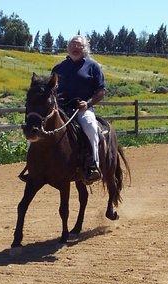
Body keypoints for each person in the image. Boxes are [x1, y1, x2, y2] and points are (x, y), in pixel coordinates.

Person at [52, 35, 106, 183]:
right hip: (61, 109)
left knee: (90, 127)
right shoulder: (58, 68)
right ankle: (34, 165)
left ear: (84, 48)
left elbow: (101, 91)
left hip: (82, 109)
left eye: (79, 45)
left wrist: (87, 104)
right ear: (67, 47)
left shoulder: (93, 66)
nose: (75, 47)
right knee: (39, 128)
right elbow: (51, 90)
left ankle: (94, 165)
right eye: (73, 45)